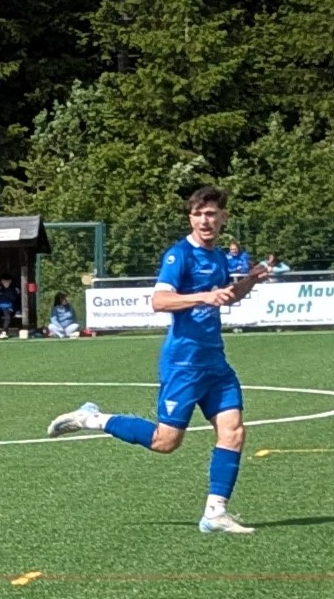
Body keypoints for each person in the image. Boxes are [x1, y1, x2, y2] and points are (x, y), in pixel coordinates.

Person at [46, 187, 270, 535]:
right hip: (183, 364)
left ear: (223, 218)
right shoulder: (179, 255)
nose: (205, 220)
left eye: (211, 214)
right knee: (166, 442)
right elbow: (160, 300)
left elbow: (223, 296)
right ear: (190, 218)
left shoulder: (220, 258)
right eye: (198, 214)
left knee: (234, 432)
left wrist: (250, 281)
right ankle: (92, 418)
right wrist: (204, 295)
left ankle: (215, 512)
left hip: (215, 363)